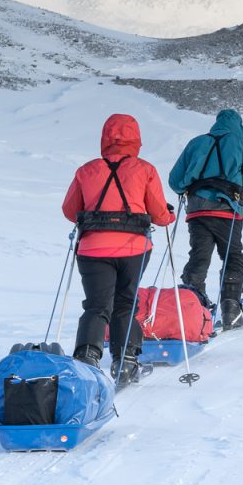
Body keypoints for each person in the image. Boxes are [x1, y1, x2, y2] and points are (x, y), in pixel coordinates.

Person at [61, 113, 175, 385]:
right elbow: (159, 214)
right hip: (133, 249)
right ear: (136, 139)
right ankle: (126, 362)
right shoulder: (144, 169)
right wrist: (168, 216)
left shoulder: (86, 170)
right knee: (125, 304)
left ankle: (87, 358)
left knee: (97, 306)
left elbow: (70, 211)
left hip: (92, 250)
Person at [167, 109, 243, 329]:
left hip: (197, 210)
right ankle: (231, 308)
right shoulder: (241, 141)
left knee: (199, 257)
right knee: (233, 256)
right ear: (239, 124)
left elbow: (175, 182)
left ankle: (195, 310)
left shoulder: (197, 142)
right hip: (227, 210)